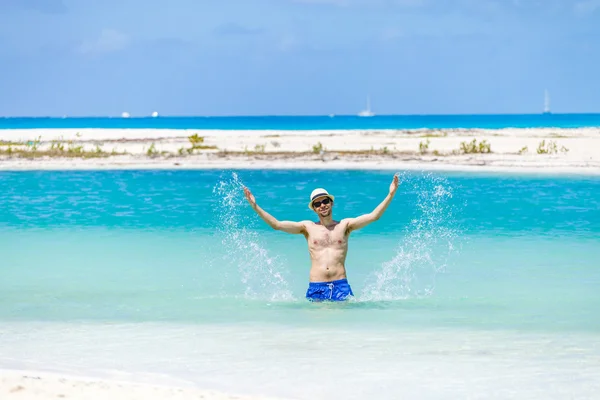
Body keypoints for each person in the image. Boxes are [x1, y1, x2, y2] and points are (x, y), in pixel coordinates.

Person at [243, 174, 399, 302]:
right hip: (316, 286)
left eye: (325, 201)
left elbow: (374, 216)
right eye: (318, 204)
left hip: (340, 285)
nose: (322, 205)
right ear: (314, 208)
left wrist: (390, 194)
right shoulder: (307, 227)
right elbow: (276, 224)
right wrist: (255, 206)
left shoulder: (345, 226)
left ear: (331, 203)